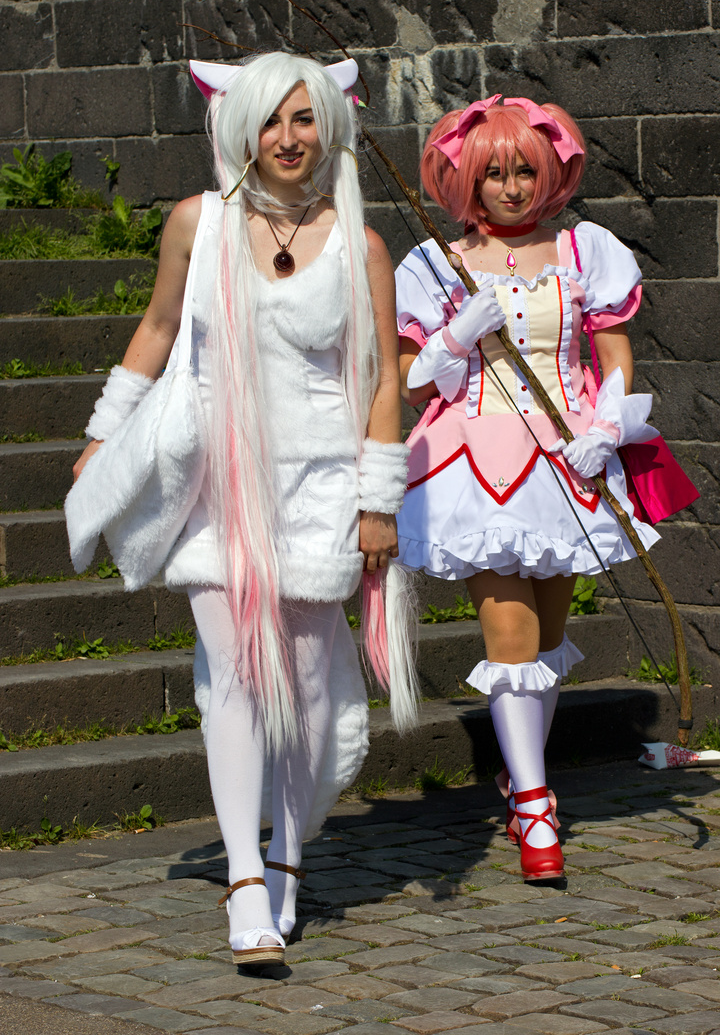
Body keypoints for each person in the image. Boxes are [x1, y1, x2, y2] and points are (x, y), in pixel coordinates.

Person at [71, 52, 416, 963]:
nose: (288, 138)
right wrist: (106, 436)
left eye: (304, 119)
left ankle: (291, 859)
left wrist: (379, 501)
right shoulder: (200, 224)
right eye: (272, 120)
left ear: (329, 124)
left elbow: (383, 378)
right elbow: (155, 328)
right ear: (242, 128)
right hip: (219, 485)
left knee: (303, 691)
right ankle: (243, 879)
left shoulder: (361, 242)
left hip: (319, 487)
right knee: (231, 676)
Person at [394, 94, 659, 882]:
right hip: (474, 461)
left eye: (523, 171)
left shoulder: (585, 250)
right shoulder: (435, 265)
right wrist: (455, 336)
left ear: (549, 172)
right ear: (465, 180)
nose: (510, 188)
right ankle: (538, 811)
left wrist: (607, 428)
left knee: (545, 640)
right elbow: (413, 384)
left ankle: (519, 780)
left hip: (566, 459)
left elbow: (612, 353)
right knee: (508, 638)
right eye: (493, 173)